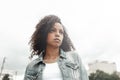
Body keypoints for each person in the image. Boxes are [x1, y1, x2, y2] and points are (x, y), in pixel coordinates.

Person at [24, 15, 89, 80]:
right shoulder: (32, 67)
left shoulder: (74, 58)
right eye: (52, 30)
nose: (57, 34)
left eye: (61, 32)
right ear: (44, 34)